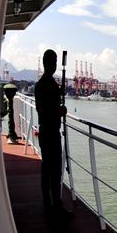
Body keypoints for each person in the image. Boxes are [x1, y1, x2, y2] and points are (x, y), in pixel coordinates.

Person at [35, 50, 70, 217]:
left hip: (46, 132)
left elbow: (48, 104)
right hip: (50, 133)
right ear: (49, 63)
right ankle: (55, 207)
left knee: (47, 170)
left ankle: (49, 205)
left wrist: (59, 93)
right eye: (54, 61)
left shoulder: (43, 83)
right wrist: (60, 112)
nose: (55, 65)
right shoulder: (46, 84)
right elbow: (46, 112)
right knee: (54, 172)